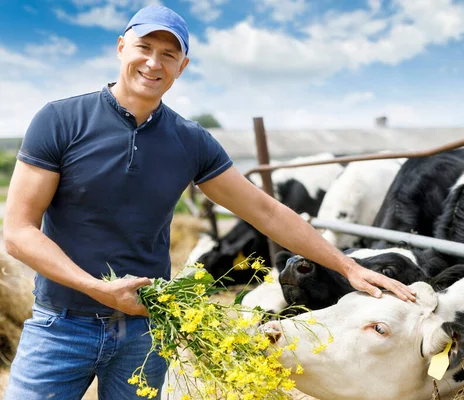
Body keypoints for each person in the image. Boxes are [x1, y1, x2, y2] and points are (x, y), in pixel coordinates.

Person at [3, 4, 416, 399]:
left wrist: (347, 266)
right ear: (120, 48)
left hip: (146, 330)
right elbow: (19, 232)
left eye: (169, 54)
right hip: (61, 325)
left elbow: (266, 210)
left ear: (181, 67)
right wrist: (96, 288)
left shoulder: (190, 140)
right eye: (144, 48)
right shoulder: (60, 121)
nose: (153, 63)